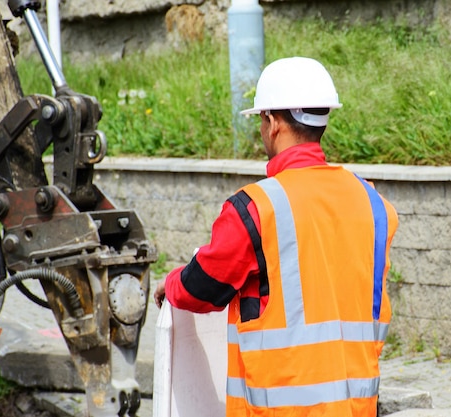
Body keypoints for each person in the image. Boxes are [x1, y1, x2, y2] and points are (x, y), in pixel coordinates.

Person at [154, 56, 399, 416]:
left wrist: (171, 283)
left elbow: (204, 286)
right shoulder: (375, 205)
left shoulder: (256, 207)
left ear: (271, 122)